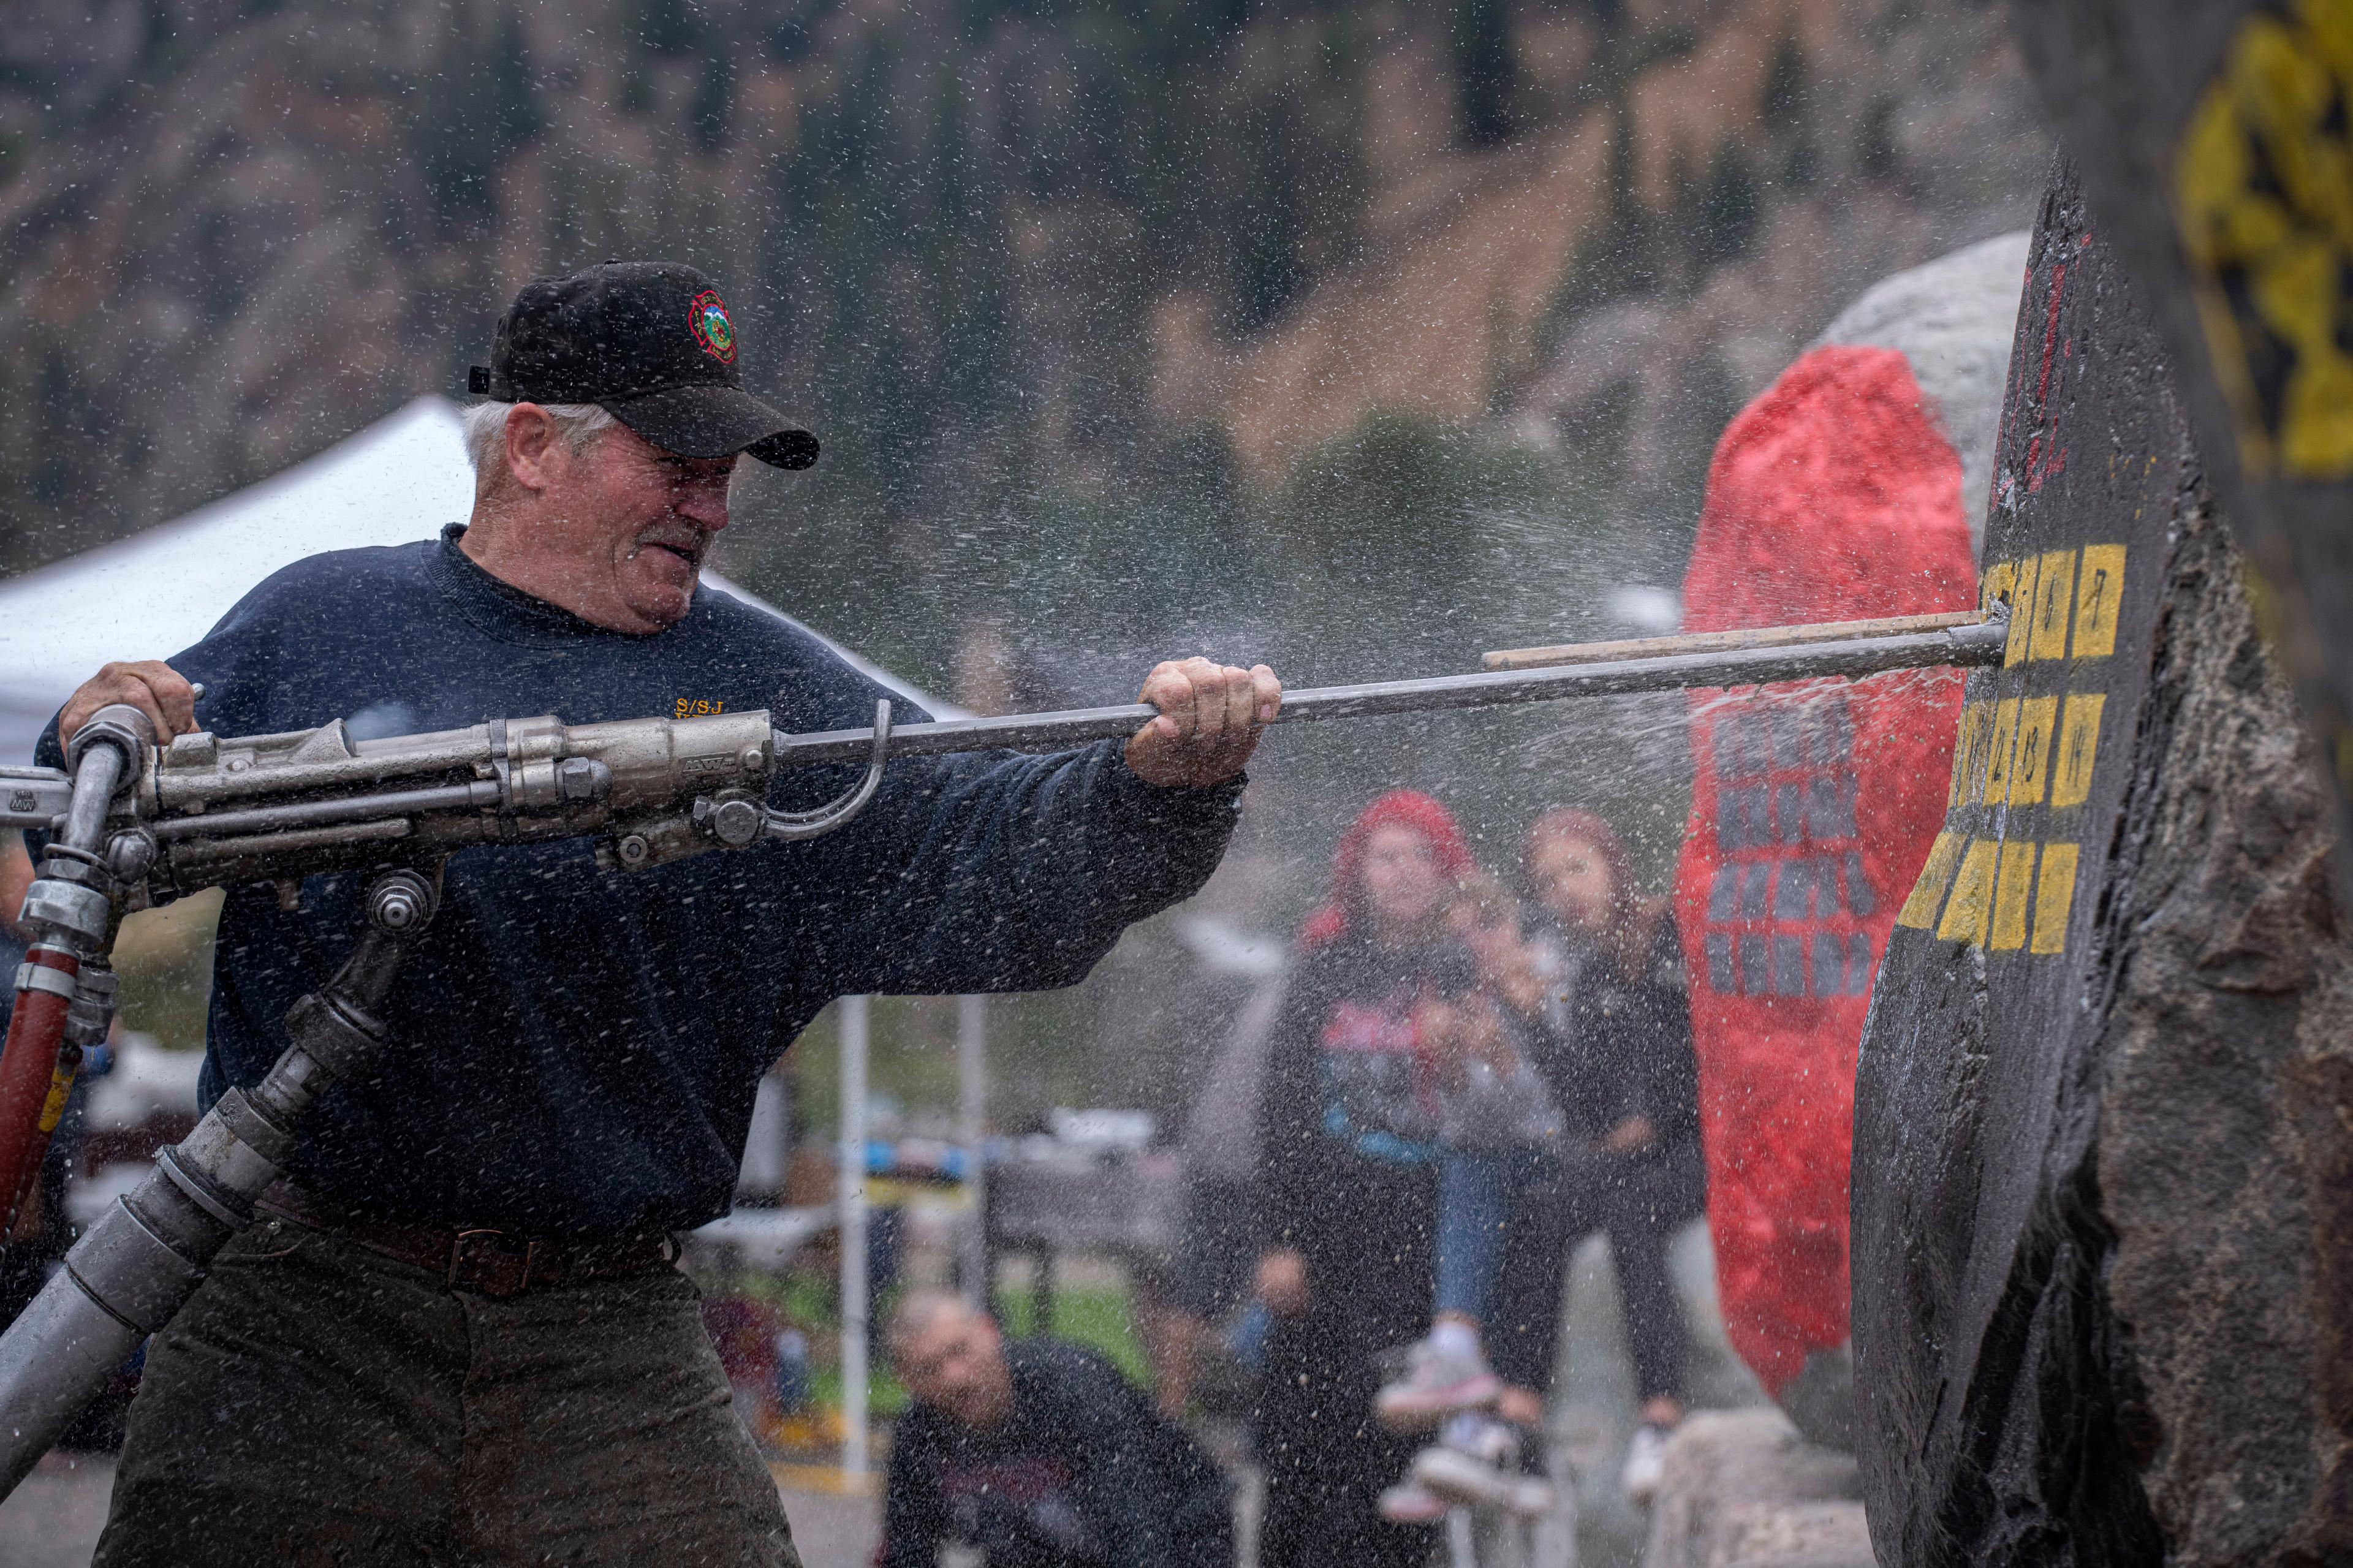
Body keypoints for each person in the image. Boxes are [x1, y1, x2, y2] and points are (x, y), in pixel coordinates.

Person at [41, 261, 1283, 1567]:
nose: (715, 504)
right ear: (532, 446)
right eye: (678, 460)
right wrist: (99, 739)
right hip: (297, 1311)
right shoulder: (323, 622)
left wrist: (1156, 789)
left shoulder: (769, 685)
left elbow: (992, 849)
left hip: (605, 1333)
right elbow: (90, 845)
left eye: (725, 468)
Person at [1251, 789, 1476, 1567]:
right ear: (1359, 870)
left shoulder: (1473, 964)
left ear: (1451, 870)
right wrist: (1277, 1239)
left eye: (1422, 854)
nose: (1405, 872)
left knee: (1411, 1442)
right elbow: (1279, 1111)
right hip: (1327, 1241)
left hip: (1435, 1239)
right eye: (1387, 855)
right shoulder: (1323, 968)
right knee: (1308, 1440)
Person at [1485, 808, 1706, 1505]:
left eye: (1577, 868)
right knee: (1545, 1208)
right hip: (1632, 1157)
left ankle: (1659, 1419)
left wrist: (1656, 1116)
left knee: (1629, 1206)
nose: (1565, 891)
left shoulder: (1677, 932)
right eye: (1548, 883)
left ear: (1614, 863)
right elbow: (1587, 1112)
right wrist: (1525, 1018)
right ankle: (1519, 1416)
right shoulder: (1587, 980)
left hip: (1703, 1147)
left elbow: (1718, 1055)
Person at [881, 1290, 1234, 1568]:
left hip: (1179, 1529)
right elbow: (907, 1554)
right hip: (1045, 1550)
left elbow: (1139, 1535)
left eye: (960, 1351)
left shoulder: (1073, 1390)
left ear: (990, 1333)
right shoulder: (919, 1435)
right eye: (929, 1369)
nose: (954, 1378)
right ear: (907, 1381)